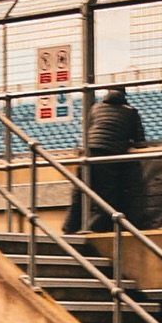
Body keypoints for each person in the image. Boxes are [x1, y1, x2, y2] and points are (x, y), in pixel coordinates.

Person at [63, 86, 145, 234]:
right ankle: (93, 229)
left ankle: (69, 229)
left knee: (79, 193)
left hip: (87, 153)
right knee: (106, 196)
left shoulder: (95, 108)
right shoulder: (130, 111)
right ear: (124, 95)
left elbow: (88, 131)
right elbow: (140, 140)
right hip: (109, 155)